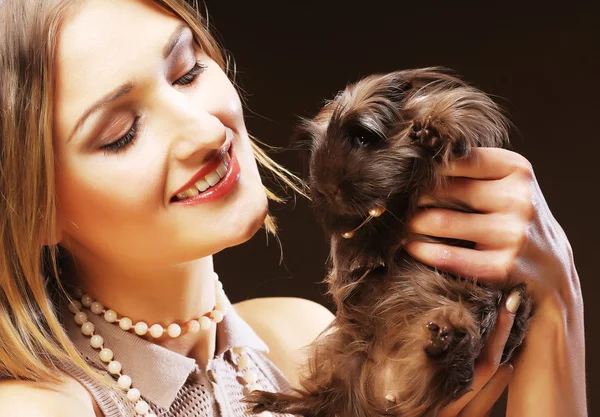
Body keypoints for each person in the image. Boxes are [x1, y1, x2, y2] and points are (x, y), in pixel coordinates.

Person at [0, 0, 586, 416]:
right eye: (122, 133)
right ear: (34, 210)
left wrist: (556, 304)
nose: (206, 130)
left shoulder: (298, 339)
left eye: (187, 71)